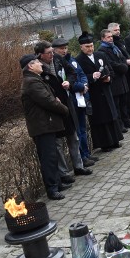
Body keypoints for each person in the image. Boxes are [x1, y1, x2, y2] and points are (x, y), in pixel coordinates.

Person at [34, 41, 93, 185]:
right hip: (53, 108)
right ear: (40, 55)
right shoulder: (37, 68)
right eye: (49, 53)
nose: (52, 55)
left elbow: (72, 72)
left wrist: (70, 83)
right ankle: (64, 173)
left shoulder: (59, 59)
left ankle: (78, 166)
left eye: (52, 52)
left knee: (73, 136)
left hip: (67, 103)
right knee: (58, 143)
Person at [20, 53, 69, 201]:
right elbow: (48, 101)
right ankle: (52, 189)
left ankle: (57, 183)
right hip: (42, 127)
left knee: (52, 156)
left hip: (46, 124)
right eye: (37, 62)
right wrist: (63, 108)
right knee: (48, 158)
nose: (41, 64)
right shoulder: (31, 82)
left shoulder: (35, 80)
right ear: (30, 66)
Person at [74, 32, 124, 152]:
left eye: (91, 46)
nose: (90, 48)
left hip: (105, 90)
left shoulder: (100, 55)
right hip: (94, 93)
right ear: (81, 47)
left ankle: (115, 140)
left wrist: (109, 78)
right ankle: (105, 144)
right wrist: (91, 77)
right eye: (87, 47)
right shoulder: (78, 60)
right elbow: (79, 77)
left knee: (111, 114)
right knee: (100, 118)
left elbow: (110, 70)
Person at [52, 38, 99, 163]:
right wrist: (80, 87)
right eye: (61, 49)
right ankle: (82, 157)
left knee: (83, 129)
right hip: (71, 99)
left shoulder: (71, 60)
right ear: (54, 50)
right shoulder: (56, 64)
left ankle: (86, 153)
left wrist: (84, 84)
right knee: (77, 131)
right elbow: (64, 81)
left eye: (65, 48)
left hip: (81, 98)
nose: (64, 50)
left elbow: (81, 74)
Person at [97, 29, 130, 129]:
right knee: (117, 105)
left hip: (122, 79)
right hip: (115, 81)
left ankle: (126, 121)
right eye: (108, 37)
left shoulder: (114, 47)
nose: (111, 39)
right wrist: (124, 66)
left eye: (111, 36)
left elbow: (122, 58)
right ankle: (120, 125)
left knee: (124, 102)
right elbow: (111, 63)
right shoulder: (102, 50)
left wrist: (124, 64)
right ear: (103, 38)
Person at [109, 23, 130, 123]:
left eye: (118, 29)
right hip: (121, 74)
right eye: (115, 30)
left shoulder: (120, 41)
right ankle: (126, 117)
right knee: (125, 98)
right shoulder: (113, 44)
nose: (118, 32)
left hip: (127, 72)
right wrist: (125, 62)